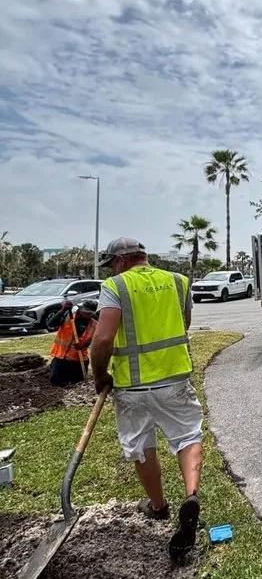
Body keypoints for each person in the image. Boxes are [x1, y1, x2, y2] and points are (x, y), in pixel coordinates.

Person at [89, 237, 202, 560]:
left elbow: (103, 339)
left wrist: (100, 376)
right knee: (188, 437)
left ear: (122, 261)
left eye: (112, 263)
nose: (111, 268)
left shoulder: (115, 285)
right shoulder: (179, 282)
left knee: (140, 445)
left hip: (133, 386)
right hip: (174, 379)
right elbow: (185, 325)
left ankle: (159, 506)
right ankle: (191, 495)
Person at [48, 299, 98, 387]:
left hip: (79, 359)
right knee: (57, 386)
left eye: (90, 313)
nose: (87, 315)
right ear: (81, 309)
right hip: (61, 358)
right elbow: (51, 324)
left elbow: (94, 339)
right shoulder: (68, 315)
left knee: (78, 387)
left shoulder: (95, 323)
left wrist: (84, 344)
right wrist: (61, 311)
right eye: (85, 312)